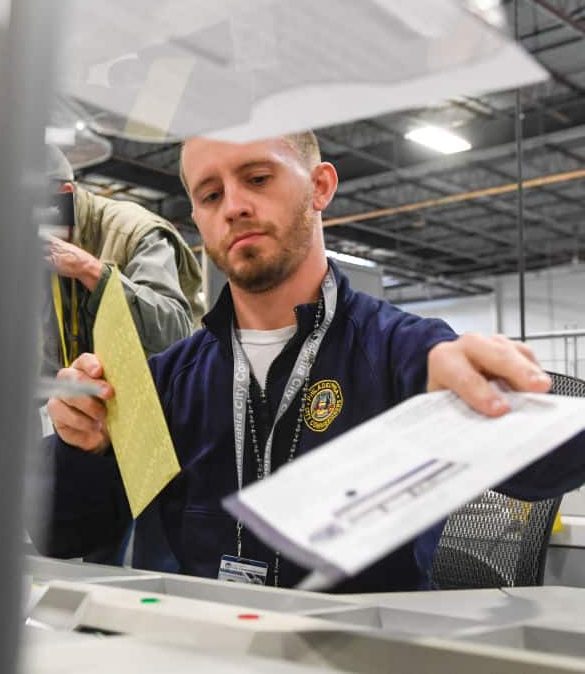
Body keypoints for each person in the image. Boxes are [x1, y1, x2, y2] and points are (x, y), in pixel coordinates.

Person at [34, 131, 585, 593]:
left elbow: (554, 470)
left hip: (362, 653)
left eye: (257, 178)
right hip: (208, 650)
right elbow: (64, 535)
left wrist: (491, 406)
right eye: (209, 194)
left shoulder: (405, 351)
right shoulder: (168, 379)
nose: (235, 206)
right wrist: (82, 445)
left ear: (319, 187)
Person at [39, 145, 204, 378]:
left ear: (63, 195)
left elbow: (174, 333)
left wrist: (91, 271)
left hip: (171, 397)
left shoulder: (134, 232)